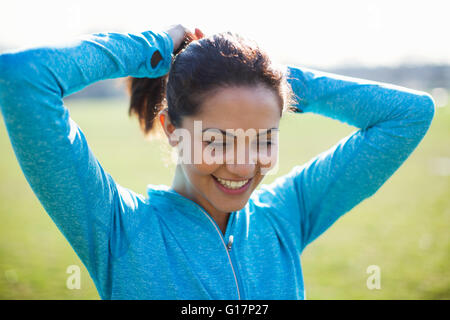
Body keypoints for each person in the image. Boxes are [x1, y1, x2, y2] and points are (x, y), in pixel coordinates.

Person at [0, 24, 435, 300]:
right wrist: (156, 48)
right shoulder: (117, 229)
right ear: (172, 128)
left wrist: (278, 79)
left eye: (264, 139)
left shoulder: (286, 215)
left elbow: (411, 114)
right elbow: (23, 77)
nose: (244, 168)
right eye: (219, 142)